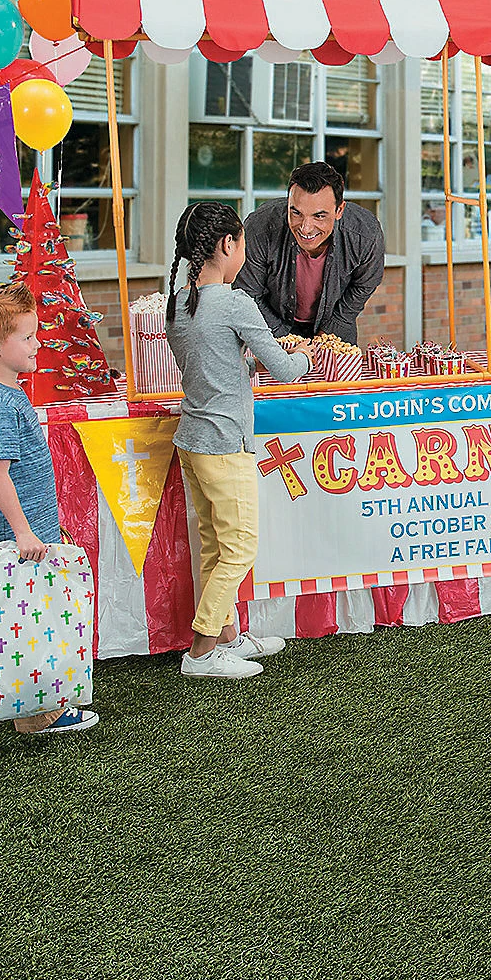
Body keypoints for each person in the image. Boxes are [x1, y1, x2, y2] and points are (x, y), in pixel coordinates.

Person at [166, 201, 311, 681]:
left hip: (192, 437)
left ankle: (228, 636)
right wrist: (305, 356)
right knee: (240, 547)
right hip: (226, 440)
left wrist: (243, 361)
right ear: (228, 245)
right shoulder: (233, 303)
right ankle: (202, 650)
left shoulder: (178, 303)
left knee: (214, 543)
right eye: (242, 241)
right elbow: (286, 370)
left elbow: (210, 366)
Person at [0, 283, 97, 734]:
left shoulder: (5, 395)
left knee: (33, 618)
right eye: (28, 336)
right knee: (23, 622)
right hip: (15, 539)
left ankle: (41, 709)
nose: (38, 343)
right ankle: (36, 714)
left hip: (28, 533)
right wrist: (23, 532)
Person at [236, 162, 385, 343]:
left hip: (335, 327)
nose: (306, 228)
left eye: (319, 216)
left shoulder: (365, 233)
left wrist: (330, 330)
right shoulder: (260, 227)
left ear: (339, 210)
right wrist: (286, 340)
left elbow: (364, 285)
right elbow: (247, 294)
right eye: (296, 213)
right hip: (269, 327)